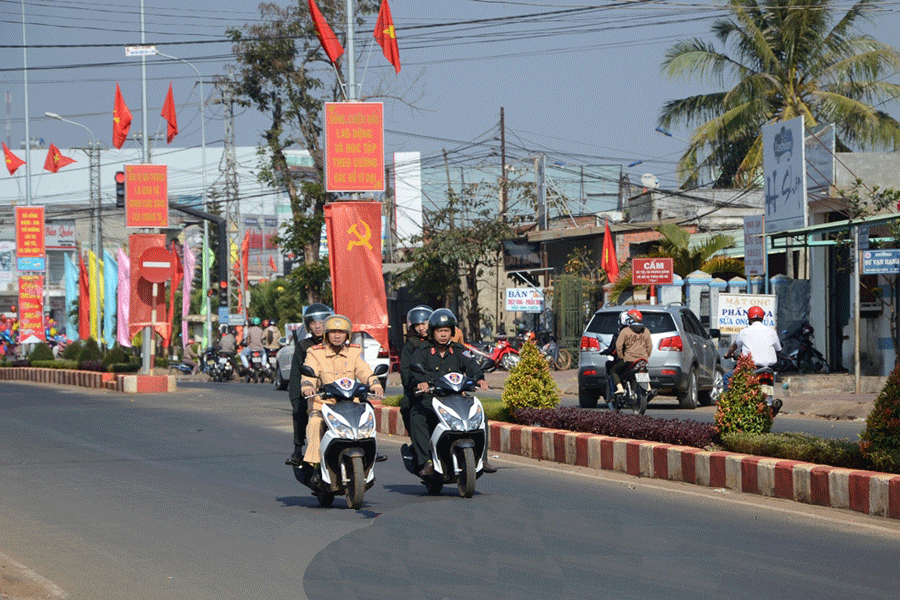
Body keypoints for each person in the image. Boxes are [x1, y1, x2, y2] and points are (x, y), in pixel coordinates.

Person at [409, 308, 497, 477]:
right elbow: (415, 371)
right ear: (432, 332)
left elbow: (471, 365)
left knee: (480, 415)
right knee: (417, 414)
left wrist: (479, 378)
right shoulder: (423, 350)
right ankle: (426, 461)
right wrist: (421, 382)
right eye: (440, 331)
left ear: (452, 332)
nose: (443, 335)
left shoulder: (459, 350)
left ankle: (482, 459)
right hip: (432, 399)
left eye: (447, 331)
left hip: (456, 397)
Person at [300, 314, 384, 466]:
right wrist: (308, 386)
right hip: (324, 404)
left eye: (341, 332)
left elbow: (364, 371)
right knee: (314, 423)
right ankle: (314, 465)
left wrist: (375, 384)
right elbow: (309, 373)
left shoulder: (354, 352)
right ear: (326, 334)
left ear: (347, 335)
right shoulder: (315, 352)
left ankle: (371, 452)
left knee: (368, 419)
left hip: (350, 403)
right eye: (333, 332)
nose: (337, 336)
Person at [286, 304, 333, 466]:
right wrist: (297, 398)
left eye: (321, 322)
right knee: (300, 411)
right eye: (313, 323)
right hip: (312, 393)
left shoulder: (337, 342)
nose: (318, 326)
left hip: (336, 392)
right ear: (308, 325)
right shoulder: (304, 346)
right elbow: (295, 376)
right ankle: (298, 449)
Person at [724, 305, 781, 387]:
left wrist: (728, 354)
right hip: (768, 370)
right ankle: (770, 398)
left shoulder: (744, 332)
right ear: (762, 318)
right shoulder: (772, 332)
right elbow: (778, 349)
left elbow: (734, 346)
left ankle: (728, 399)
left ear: (749, 318)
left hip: (750, 369)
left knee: (726, 377)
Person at [400, 305, 433, 435]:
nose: (421, 328)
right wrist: (415, 386)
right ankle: (415, 438)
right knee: (406, 405)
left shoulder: (438, 342)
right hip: (418, 389)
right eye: (417, 325)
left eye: (424, 323)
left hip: (440, 389)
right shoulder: (411, 344)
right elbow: (405, 370)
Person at [608, 309, 653, 397]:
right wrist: (646, 356)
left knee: (613, 370)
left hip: (629, 360)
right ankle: (648, 387)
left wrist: (621, 356)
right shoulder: (646, 331)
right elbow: (649, 346)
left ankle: (620, 388)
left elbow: (618, 345)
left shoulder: (625, 331)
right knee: (644, 370)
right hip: (642, 359)